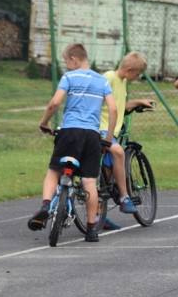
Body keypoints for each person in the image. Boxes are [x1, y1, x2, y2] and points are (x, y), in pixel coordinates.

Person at [29, 43, 116, 243]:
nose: (67, 65)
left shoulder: (69, 77)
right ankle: (92, 229)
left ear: (74, 59)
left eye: (66, 61)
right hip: (92, 136)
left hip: (69, 132)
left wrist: (44, 123)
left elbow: (55, 103)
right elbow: (112, 110)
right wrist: (108, 138)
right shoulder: (102, 81)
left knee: (54, 171)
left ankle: (45, 205)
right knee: (89, 181)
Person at [99, 51, 155, 226]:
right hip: (102, 129)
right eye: (137, 74)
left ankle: (100, 214)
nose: (136, 78)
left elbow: (119, 106)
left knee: (107, 173)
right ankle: (124, 197)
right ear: (129, 69)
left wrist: (138, 102)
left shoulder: (122, 82)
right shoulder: (109, 78)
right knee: (117, 155)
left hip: (112, 131)